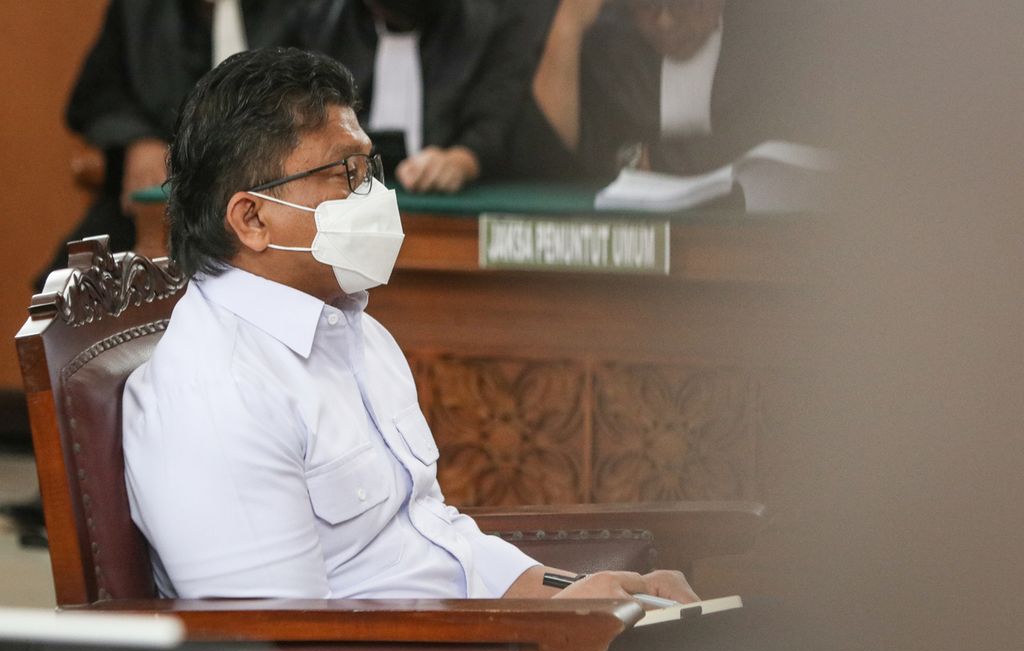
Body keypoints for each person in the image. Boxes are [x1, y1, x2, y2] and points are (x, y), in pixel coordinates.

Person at [122, 46, 697, 605]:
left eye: (368, 166)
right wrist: (540, 634)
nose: (374, 193)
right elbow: (284, 645)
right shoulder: (218, 392)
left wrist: (573, 595)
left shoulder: (354, 330)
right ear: (252, 219)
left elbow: (433, 536)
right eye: (343, 174)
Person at [35, 0, 313, 289]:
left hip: (280, 191)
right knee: (64, 293)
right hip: (167, 192)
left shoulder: (309, 9)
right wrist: (137, 139)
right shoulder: (137, 8)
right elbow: (96, 96)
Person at [508, 0, 833, 182]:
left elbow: (767, 144)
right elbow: (544, 158)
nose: (664, 22)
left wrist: (651, 159)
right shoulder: (611, 44)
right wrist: (568, 25)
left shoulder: (776, 39)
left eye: (684, 5)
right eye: (647, 6)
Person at [305, 0, 547, 193]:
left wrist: (461, 160)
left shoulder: (494, 18)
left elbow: (497, 112)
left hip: (454, 204)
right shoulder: (314, 18)